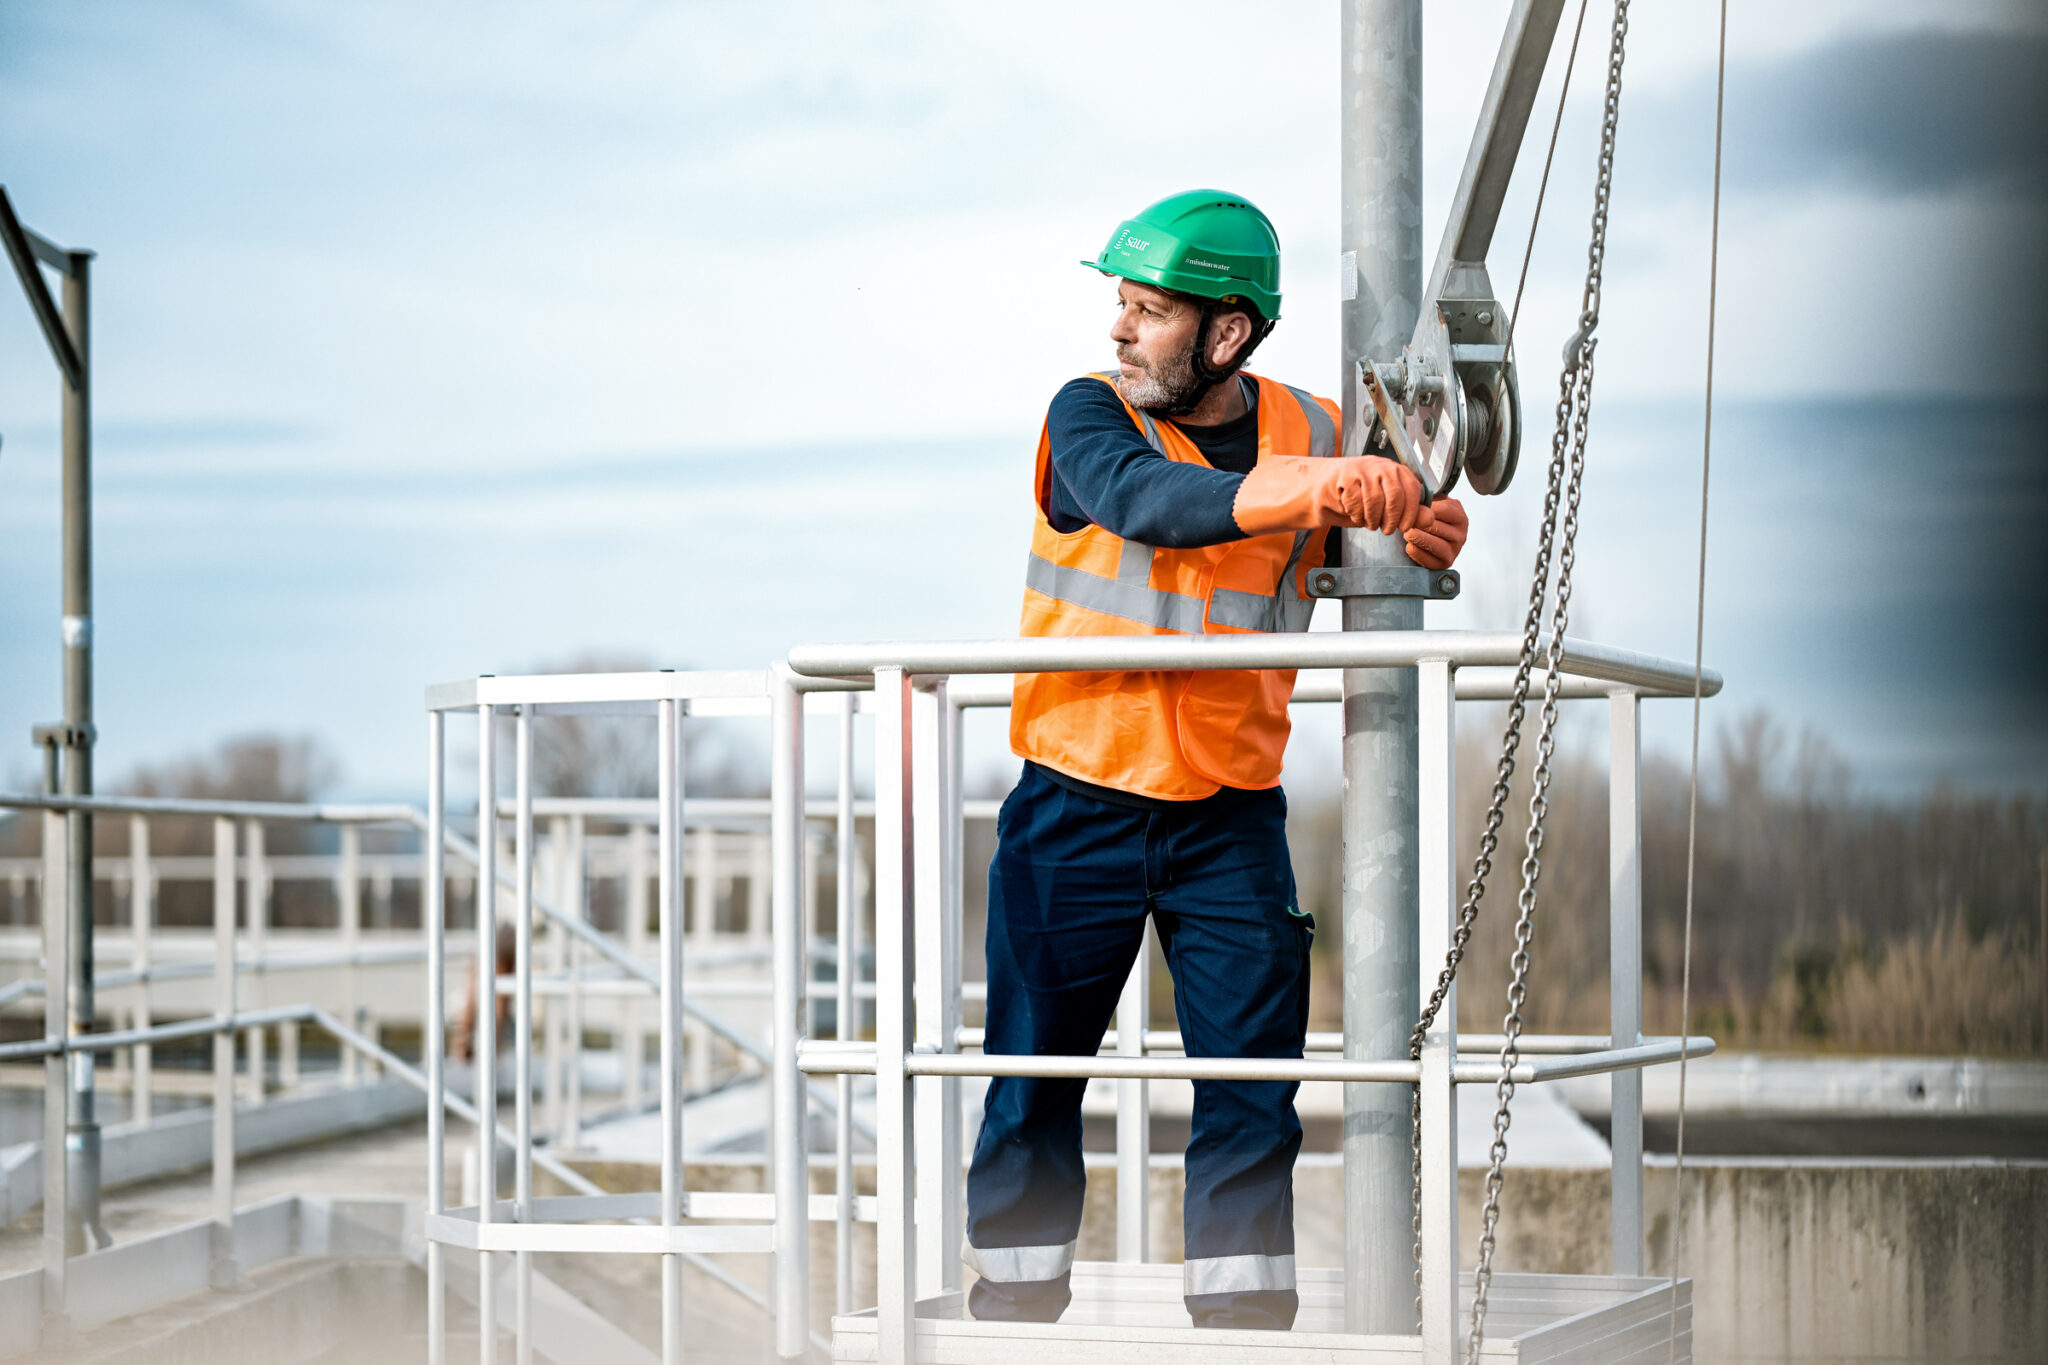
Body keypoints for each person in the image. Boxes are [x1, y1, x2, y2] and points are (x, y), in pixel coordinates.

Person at [962, 190, 1469, 1330]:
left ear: (1227, 332)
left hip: (1230, 819)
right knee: (1031, 1082)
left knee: (1252, 1092)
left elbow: (1375, 529)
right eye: (1122, 305)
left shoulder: (1315, 429)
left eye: (1148, 312)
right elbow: (1148, 502)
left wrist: (1414, 533)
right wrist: (1326, 488)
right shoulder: (1088, 414)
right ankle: (1012, 1316)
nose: (1119, 329)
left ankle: (1243, 1333)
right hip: (1073, 805)